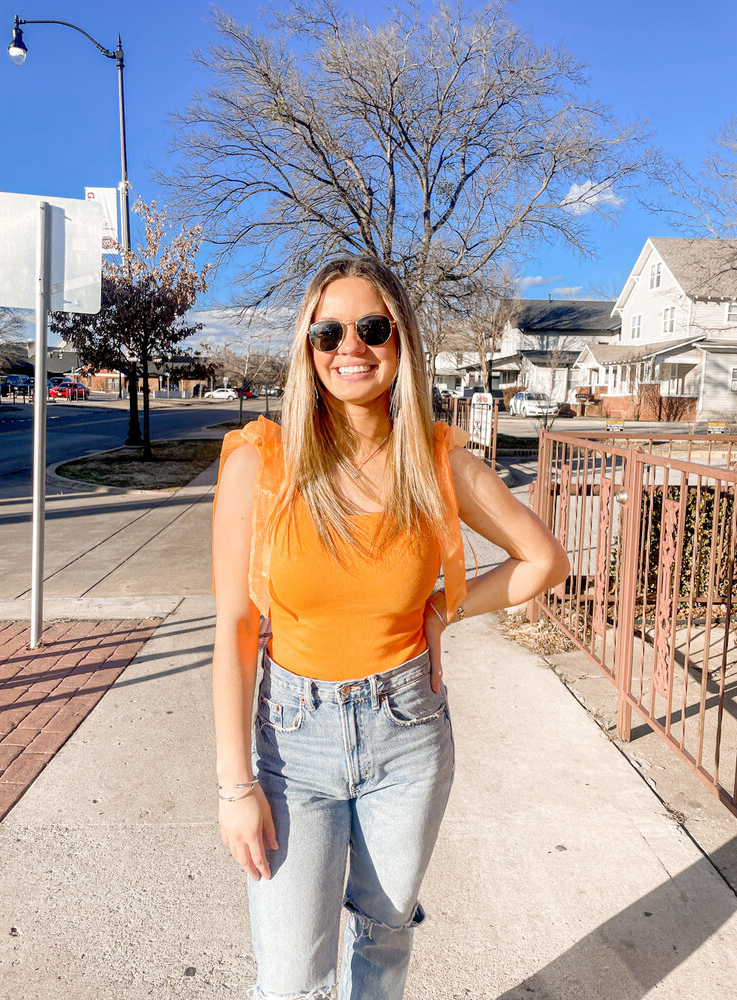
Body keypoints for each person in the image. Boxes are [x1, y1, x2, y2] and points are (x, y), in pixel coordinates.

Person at [211, 257, 569, 1000]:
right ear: (306, 351)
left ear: (401, 342)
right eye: (328, 332)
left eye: (373, 328)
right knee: (289, 978)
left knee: (383, 938)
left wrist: (445, 609)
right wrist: (233, 783)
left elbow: (543, 560)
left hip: (407, 733)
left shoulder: (438, 462)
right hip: (291, 744)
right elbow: (237, 625)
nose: (352, 347)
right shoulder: (264, 462)